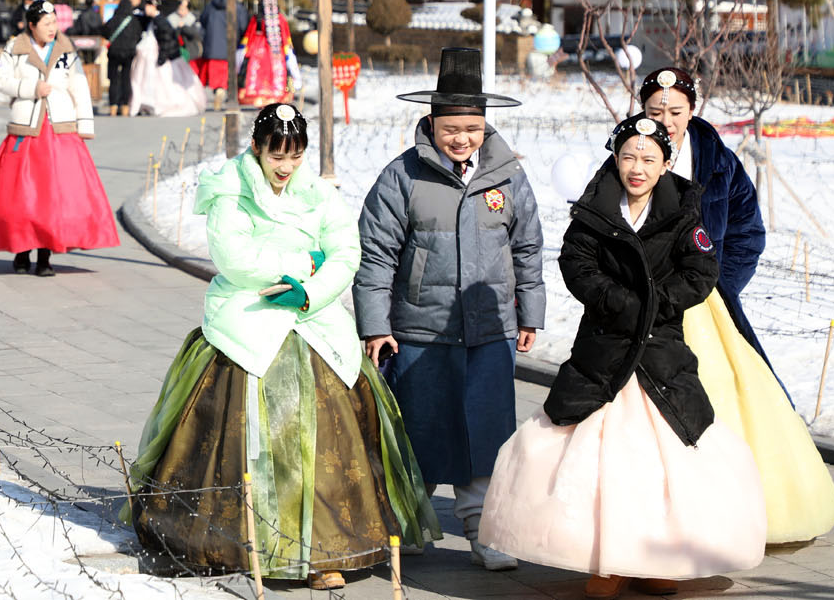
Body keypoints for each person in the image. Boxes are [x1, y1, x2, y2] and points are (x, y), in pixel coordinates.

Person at [125, 105, 438, 590]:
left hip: (313, 319)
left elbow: (345, 251)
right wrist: (302, 262)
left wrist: (311, 289)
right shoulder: (229, 189)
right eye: (277, 155)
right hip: (247, 322)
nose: (286, 166)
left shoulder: (317, 193)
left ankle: (323, 551)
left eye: (295, 155)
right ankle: (237, 542)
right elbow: (234, 258)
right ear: (258, 147)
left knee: (333, 434)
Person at [479, 114, 766, 599]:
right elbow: (577, 264)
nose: (637, 167)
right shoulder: (595, 207)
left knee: (665, 461)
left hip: (661, 353)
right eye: (629, 156)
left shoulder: (683, 210)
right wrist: (619, 302)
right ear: (616, 157)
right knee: (599, 462)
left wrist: (658, 304)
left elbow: (701, 269)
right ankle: (607, 563)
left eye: (649, 159)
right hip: (605, 350)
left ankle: (659, 560)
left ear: (665, 163)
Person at [353, 46, 542, 572]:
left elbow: (527, 246)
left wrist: (529, 312)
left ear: (486, 126)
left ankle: (486, 529)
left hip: (490, 329)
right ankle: (408, 523)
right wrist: (375, 324)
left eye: (472, 128)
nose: (461, 138)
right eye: (451, 127)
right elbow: (376, 254)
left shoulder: (507, 175)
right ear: (431, 123)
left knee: (486, 431)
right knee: (420, 429)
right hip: (421, 330)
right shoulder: (402, 176)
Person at [640, 66, 834, 544]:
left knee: (725, 400)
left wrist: (716, 285)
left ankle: (736, 513)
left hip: (708, 307)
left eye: (675, 110)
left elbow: (748, 232)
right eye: (654, 111)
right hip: (646, 308)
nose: (665, 120)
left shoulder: (719, 163)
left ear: (693, 109)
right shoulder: (629, 155)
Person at [0, 0, 119, 275]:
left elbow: (79, 86)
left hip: (60, 130)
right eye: (47, 24)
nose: (53, 28)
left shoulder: (66, 50)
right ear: (31, 26)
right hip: (27, 131)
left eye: (55, 23)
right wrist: (30, 87)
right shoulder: (14, 49)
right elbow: (1, 81)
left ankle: (44, 255)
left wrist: (84, 123)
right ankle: (22, 250)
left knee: (55, 198)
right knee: (20, 197)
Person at [129, 0, 207, 118]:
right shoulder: (154, 20)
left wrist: (162, 57)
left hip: (164, 57)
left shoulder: (160, 21)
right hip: (159, 57)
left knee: (167, 84)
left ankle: (157, 104)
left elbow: (166, 39)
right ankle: (149, 104)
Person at [238, 0, 301, 107]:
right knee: (279, 73)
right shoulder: (280, 18)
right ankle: (278, 96)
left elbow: (249, 36)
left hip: (258, 51)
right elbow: (286, 36)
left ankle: (259, 98)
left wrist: (245, 50)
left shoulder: (257, 19)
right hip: (277, 52)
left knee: (257, 73)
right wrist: (288, 50)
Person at [101, 0, 155, 116]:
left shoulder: (114, 19)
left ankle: (113, 107)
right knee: (126, 79)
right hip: (129, 52)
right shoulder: (135, 20)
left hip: (114, 52)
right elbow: (139, 34)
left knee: (114, 79)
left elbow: (105, 31)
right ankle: (125, 106)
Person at [197, 0, 249, 107]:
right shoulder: (237, 7)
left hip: (213, 44)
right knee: (229, 71)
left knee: (215, 72)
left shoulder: (210, 6)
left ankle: (217, 90)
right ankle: (225, 91)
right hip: (231, 45)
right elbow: (243, 25)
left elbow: (203, 21)